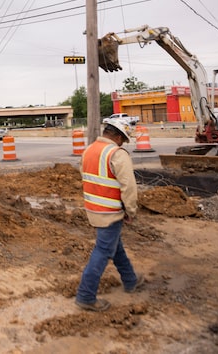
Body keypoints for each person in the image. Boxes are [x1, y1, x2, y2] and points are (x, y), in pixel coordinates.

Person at [75, 120, 143, 312]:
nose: (122, 144)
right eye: (123, 140)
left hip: (93, 209)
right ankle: (86, 296)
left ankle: (130, 280)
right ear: (118, 136)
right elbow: (128, 187)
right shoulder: (116, 154)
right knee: (103, 251)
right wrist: (130, 211)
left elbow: (86, 175)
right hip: (110, 211)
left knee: (115, 246)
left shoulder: (89, 150)